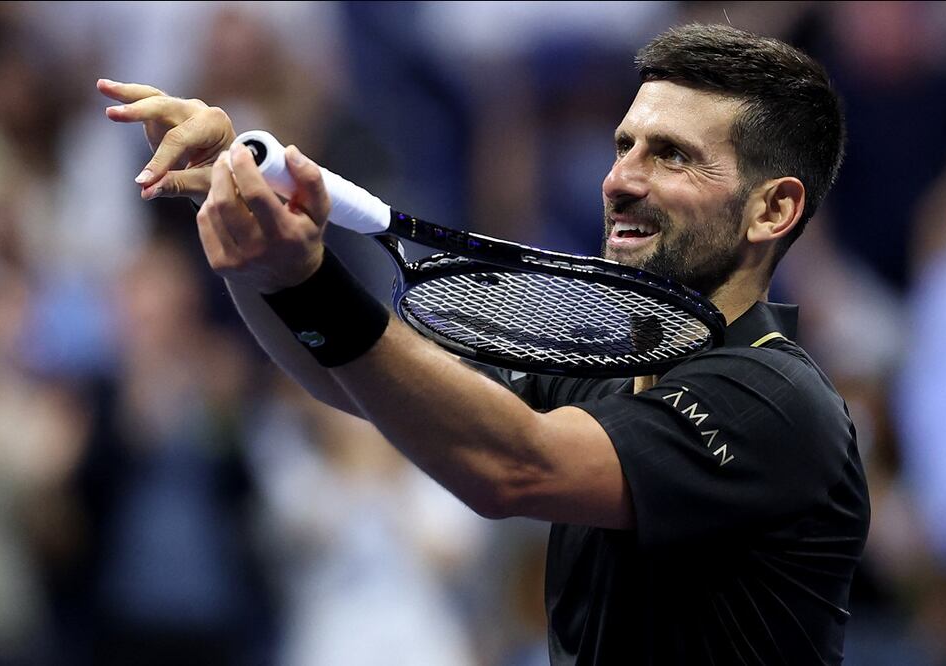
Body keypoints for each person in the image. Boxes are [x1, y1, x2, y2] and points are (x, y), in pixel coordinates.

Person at [100, 23, 868, 665]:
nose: (618, 179)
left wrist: (307, 282)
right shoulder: (600, 370)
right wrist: (264, 265)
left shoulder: (778, 401)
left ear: (772, 210)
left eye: (669, 155)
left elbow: (514, 466)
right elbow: (358, 383)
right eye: (623, 144)